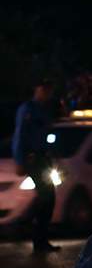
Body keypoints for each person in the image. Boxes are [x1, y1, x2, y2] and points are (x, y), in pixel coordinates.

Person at [12, 77, 60, 253]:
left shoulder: (46, 111)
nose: (47, 92)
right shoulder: (28, 109)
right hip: (33, 157)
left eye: (49, 89)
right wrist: (19, 160)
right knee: (46, 195)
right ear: (36, 90)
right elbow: (20, 136)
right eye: (44, 88)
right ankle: (20, 224)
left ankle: (40, 239)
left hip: (44, 157)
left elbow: (49, 135)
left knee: (49, 198)